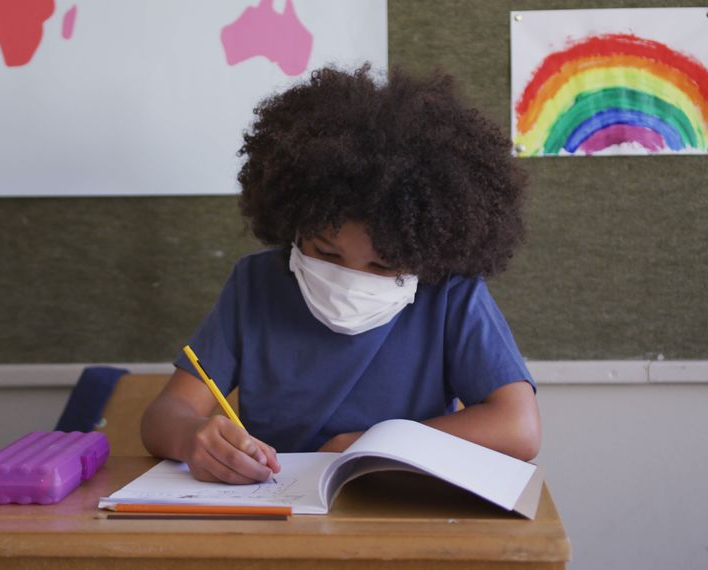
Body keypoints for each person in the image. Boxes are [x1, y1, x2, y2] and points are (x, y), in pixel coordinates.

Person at [141, 64, 539, 485]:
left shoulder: (449, 295)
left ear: (428, 252)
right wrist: (192, 436)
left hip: (405, 512)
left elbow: (519, 427)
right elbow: (163, 417)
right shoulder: (256, 284)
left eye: (383, 266)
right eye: (325, 253)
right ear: (293, 222)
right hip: (281, 512)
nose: (349, 278)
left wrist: (369, 444)